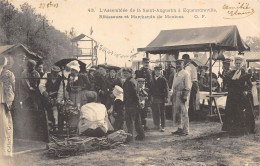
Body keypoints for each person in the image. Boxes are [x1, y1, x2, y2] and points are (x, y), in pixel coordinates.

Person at [222, 55, 255, 135]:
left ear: (242, 64)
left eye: (239, 63)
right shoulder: (230, 73)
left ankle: (243, 129)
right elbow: (227, 84)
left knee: (241, 112)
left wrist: (247, 91)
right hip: (232, 95)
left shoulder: (245, 74)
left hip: (241, 96)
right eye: (236, 63)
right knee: (231, 111)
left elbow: (250, 85)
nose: (237, 65)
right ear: (234, 63)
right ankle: (232, 129)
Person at [123, 68, 145, 141]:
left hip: (131, 104)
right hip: (132, 104)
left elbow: (135, 94)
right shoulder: (131, 81)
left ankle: (130, 137)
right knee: (137, 121)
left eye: (127, 73)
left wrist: (137, 103)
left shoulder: (130, 82)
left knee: (130, 121)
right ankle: (141, 135)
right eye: (124, 73)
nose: (125, 74)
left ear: (131, 73)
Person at [171, 59, 192, 136]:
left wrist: (185, 95)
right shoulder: (176, 73)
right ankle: (179, 128)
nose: (178, 65)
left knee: (184, 112)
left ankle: (185, 130)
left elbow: (188, 86)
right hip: (176, 93)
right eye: (177, 64)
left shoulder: (186, 73)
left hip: (182, 93)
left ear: (183, 64)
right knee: (177, 113)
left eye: (180, 64)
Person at [39, 66, 62, 132]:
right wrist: (44, 92)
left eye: (57, 73)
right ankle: (47, 127)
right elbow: (41, 85)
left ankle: (56, 126)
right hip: (46, 95)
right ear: (51, 72)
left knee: (55, 109)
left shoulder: (60, 78)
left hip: (56, 96)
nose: (56, 74)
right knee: (46, 110)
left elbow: (61, 90)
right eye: (54, 73)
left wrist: (58, 99)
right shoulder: (46, 75)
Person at [0, 56, 15, 158]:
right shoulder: (8, 74)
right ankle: (5, 152)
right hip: (3, 103)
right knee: (5, 128)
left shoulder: (7, 74)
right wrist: (9, 102)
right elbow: (11, 89)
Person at [135, 58, 152, 130]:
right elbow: (136, 81)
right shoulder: (139, 72)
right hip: (140, 92)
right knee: (140, 108)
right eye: (145, 62)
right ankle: (140, 125)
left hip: (148, 92)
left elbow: (152, 83)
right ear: (142, 63)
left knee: (145, 109)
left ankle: (144, 125)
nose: (146, 64)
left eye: (148, 62)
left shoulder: (151, 72)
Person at [150, 66, 169, 132]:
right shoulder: (152, 79)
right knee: (155, 111)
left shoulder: (163, 79)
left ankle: (163, 126)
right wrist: (150, 97)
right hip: (154, 98)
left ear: (161, 71)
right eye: (156, 71)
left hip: (161, 98)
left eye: (159, 71)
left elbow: (166, 89)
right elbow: (150, 89)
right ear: (154, 71)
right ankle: (156, 125)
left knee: (162, 112)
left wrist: (166, 97)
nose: (157, 72)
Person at [182, 54, 199, 119]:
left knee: (190, 100)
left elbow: (187, 77)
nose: (183, 62)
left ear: (186, 60)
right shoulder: (193, 66)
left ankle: (191, 116)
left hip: (192, 83)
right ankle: (193, 115)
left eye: (183, 60)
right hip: (195, 83)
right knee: (193, 100)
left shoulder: (188, 67)